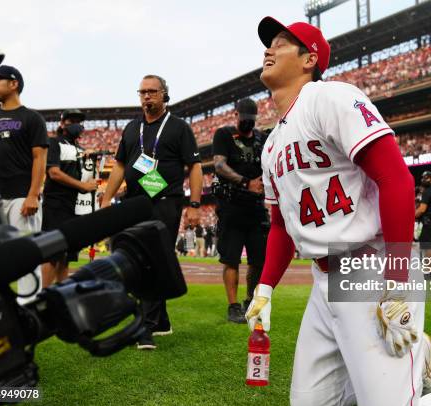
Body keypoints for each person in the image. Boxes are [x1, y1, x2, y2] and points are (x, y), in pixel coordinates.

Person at [245, 17, 431, 406]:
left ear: (310, 59)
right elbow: (280, 226)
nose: (268, 50)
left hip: (372, 270)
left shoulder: (331, 98)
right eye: (269, 43)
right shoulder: (272, 143)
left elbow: (397, 180)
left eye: (281, 42)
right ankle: (410, 360)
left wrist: (396, 281)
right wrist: (264, 287)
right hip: (324, 281)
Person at [101, 74, 203, 350]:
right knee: (134, 257)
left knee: (154, 258)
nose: (147, 97)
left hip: (166, 200)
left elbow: (194, 167)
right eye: (143, 92)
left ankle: (145, 327)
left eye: (152, 92)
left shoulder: (178, 127)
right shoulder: (131, 128)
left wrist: (194, 205)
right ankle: (161, 321)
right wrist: (106, 198)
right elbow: (120, 165)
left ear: (164, 95)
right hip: (134, 201)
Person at [0, 65, 48, 304]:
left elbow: (40, 158)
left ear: (14, 83)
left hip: (21, 195)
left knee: (25, 254)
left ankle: (30, 306)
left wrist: (33, 195)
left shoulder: (31, 117)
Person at [213, 98, 269, 323]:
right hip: (231, 207)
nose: (247, 123)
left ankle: (249, 300)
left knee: (258, 260)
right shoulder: (224, 135)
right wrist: (247, 182)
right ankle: (233, 305)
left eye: (250, 120)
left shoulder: (261, 138)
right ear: (236, 115)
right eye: (243, 118)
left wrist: (263, 182)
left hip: (256, 209)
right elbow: (219, 165)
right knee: (231, 259)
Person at [41, 109, 98, 287]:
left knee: (66, 255)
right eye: (71, 120)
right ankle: (42, 297)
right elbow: (54, 173)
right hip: (56, 205)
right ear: (62, 124)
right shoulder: (53, 142)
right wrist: (82, 186)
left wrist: (88, 161)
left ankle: (60, 297)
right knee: (52, 254)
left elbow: (86, 177)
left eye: (79, 121)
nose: (75, 124)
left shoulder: (81, 150)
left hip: (75, 207)